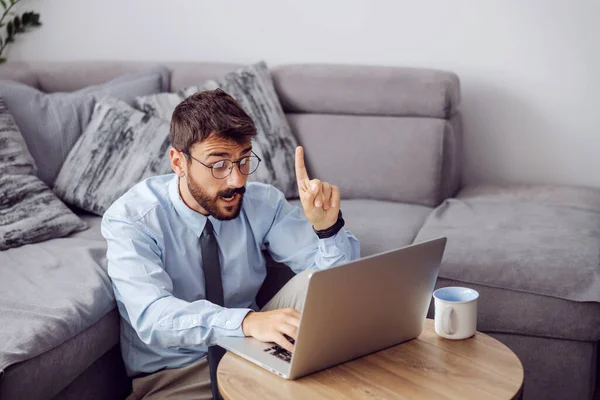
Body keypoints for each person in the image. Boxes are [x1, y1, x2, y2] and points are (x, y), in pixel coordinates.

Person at [101, 88, 360, 400]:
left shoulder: (263, 202)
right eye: (218, 164)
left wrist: (327, 229)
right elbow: (153, 317)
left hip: (254, 352)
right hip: (177, 374)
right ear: (178, 162)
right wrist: (247, 322)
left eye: (244, 160)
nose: (237, 180)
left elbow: (338, 288)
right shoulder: (132, 219)